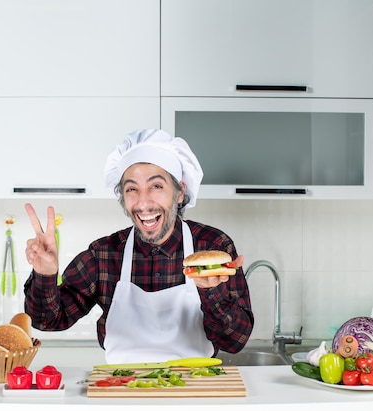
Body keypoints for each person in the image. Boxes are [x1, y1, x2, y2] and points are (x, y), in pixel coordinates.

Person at [23, 129, 253, 363]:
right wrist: (45, 274)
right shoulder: (103, 254)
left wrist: (210, 291)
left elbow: (235, 341)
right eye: (132, 189)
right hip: (121, 388)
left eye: (156, 186)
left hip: (192, 389)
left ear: (180, 192)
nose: (143, 202)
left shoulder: (212, 247)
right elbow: (47, 321)